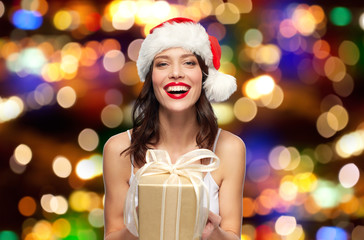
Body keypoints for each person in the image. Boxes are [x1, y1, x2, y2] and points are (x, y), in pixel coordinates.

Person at [103, 17, 246, 240]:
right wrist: (138, 224)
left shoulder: (229, 148)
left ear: (204, 74)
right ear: (151, 77)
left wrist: (210, 230)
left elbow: (232, 235)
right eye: (162, 63)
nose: (176, 73)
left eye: (189, 62)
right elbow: (111, 236)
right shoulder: (119, 148)